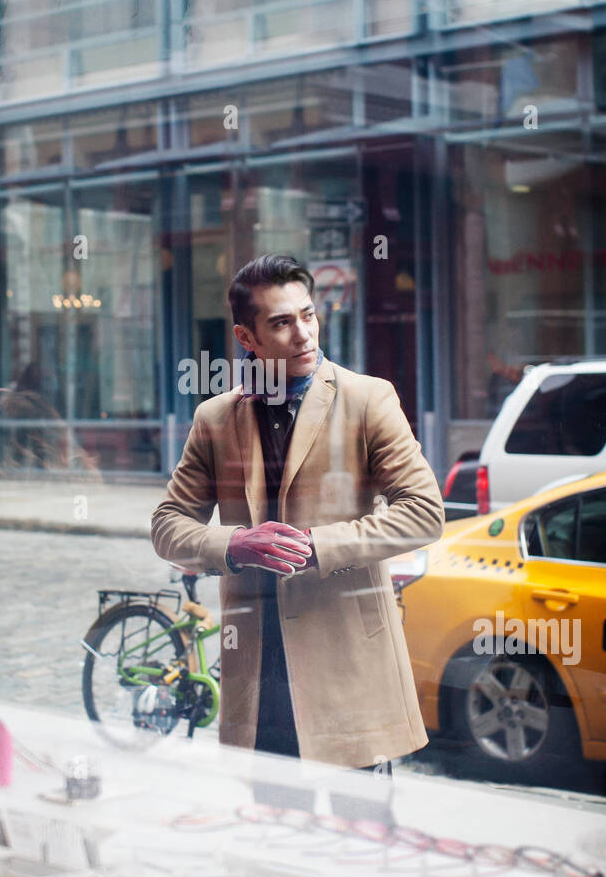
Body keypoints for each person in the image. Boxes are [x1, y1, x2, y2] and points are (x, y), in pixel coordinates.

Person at [151, 254, 445, 821]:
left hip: (348, 663)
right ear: (247, 337)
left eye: (308, 315)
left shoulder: (368, 399)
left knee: (363, 841)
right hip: (261, 670)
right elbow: (168, 524)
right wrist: (233, 544)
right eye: (282, 323)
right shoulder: (215, 418)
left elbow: (424, 513)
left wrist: (318, 547)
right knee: (278, 839)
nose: (304, 333)